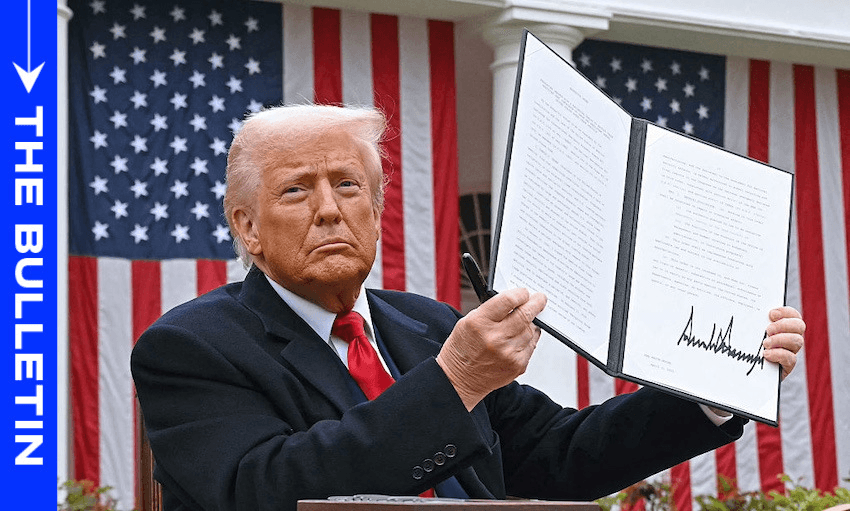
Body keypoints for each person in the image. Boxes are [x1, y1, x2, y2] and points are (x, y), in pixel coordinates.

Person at [131, 104, 805, 511]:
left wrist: (714, 387)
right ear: (245, 225)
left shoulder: (427, 324)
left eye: (347, 184)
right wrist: (454, 381)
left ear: (378, 209)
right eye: (296, 191)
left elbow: (556, 456)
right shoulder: (189, 347)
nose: (330, 208)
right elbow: (268, 491)